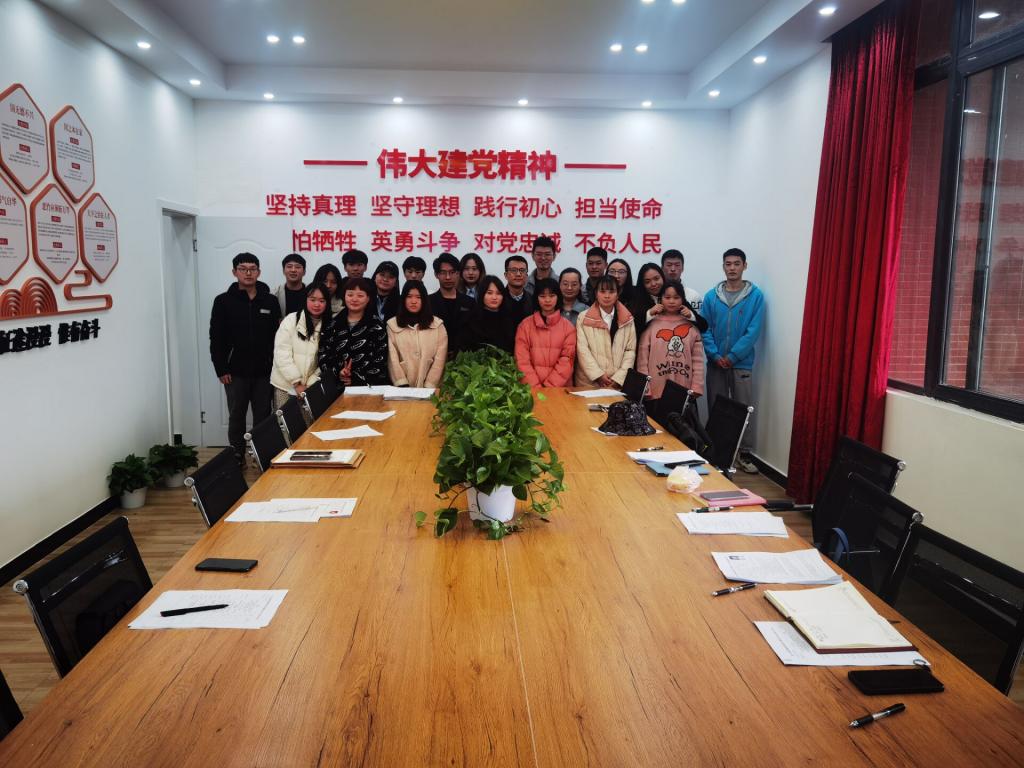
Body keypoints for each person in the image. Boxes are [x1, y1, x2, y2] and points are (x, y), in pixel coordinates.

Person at [209, 253, 281, 466]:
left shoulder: (270, 300)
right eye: (243, 268)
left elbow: (277, 336)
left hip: (264, 370)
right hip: (234, 371)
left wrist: (275, 364)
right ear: (235, 272)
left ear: (259, 272)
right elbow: (216, 337)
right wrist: (221, 368)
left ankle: (261, 454)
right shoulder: (223, 301)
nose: (248, 273)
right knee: (236, 414)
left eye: (252, 269)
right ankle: (237, 454)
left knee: (263, 415)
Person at [702, 248, 765, 473]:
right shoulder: (711, 296)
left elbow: (753, 331)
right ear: (723, 266)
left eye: (736, 264)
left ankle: (743, 454)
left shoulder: (755, 296)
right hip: (716, 363)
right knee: (716, 408)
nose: (732, 268)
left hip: (741, 363)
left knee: (743, 409)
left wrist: (733, 356)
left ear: (744, 266)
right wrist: (715, 355)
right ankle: (716, 453)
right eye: (728, 264)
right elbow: (704, 328)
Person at [637, 280, 705, 410]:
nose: (672, 301)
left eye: (676, 297)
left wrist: (696, 387)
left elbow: (698, 361)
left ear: (683, 299)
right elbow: (642, 360)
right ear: (660, 299)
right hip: (655, 391)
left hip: (683, 391)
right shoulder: (651, 325)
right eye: (667, 297)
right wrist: (645, 387)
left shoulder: (691, 326)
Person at [319, 277, 389, 386]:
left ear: (368, 298)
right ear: (344, 296)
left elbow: (381, 359)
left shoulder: (377, 326)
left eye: (360, 296)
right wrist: (338, 373)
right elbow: (323, 354)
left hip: (367, 389)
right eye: (350, 295)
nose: (354, 299)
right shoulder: (333, 324)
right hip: (336, 387)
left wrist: (357, 379)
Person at [271, 282, 327, 410]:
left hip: (311, 387)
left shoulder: (329, 325)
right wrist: (297, 383)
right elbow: (282, 353)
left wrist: (309, 385)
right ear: (305, 299)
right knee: (286, 421)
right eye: (312, 299)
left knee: (309, 421)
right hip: (285, 385)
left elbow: (325, 360)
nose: (317, 304)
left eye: (322, 301)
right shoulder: (291, 320)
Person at [574, 275, 636, 388]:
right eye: (602, 291)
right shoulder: (583, 317)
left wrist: (619, 378)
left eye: (611, 291)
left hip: (616, 383)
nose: (607, 296)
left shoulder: (628, 319)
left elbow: (630, 351)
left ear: (618, 294)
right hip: (589, 383)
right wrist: (598, 375)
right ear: (596, 293)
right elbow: (582, 349)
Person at [514, 277, 576, 387]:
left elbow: (567, 361)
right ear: (536, 298)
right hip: (531, 389)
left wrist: (548, 387)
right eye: (542, 296)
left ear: (558, 297)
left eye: (552, 296)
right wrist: (536, 387)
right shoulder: (525, 326)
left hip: (559, 389)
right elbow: (521, 360)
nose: (547, 300)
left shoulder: (568, 328)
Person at [387, 280, 448, 388]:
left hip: (431, 390)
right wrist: (401, 383)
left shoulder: (438, 325)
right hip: (402, 389)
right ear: (403, 299)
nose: (413, 301)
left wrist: (430, 384)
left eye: (418, 297)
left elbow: (440, 360)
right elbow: (392, 358)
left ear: (424, 300)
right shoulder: (392, 325)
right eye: (409, 296)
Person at [632, 262, 707, 338]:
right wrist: (649, 314)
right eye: (647, 282)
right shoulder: (636, 299)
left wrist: (691, 315)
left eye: (656, 278)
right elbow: (632, 330)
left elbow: (704, 326)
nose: (653, 284)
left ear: (663, 277)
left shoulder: (674, 294)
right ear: (642, 284)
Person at [429, 252, 475, 358]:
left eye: (452, 272)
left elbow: (473, 333)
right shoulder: (428, 302)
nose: (448, 277)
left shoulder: (470, 302)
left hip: (464, 359)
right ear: (436, 274)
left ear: (458, 274)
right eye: (443, 272)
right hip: (434, 358)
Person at [460, 275, 517, 354]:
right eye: (489, 293)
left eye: (498, 293)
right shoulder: (471, 319)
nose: (494, 297)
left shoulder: (509, 319)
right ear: (482, 294)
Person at [503, 254, 534, 325]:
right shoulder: (498, 298)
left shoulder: (533, 300)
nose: (518, 274)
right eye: (514, 270)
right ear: (506, 275)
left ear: (526, 276)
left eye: (522, 270)